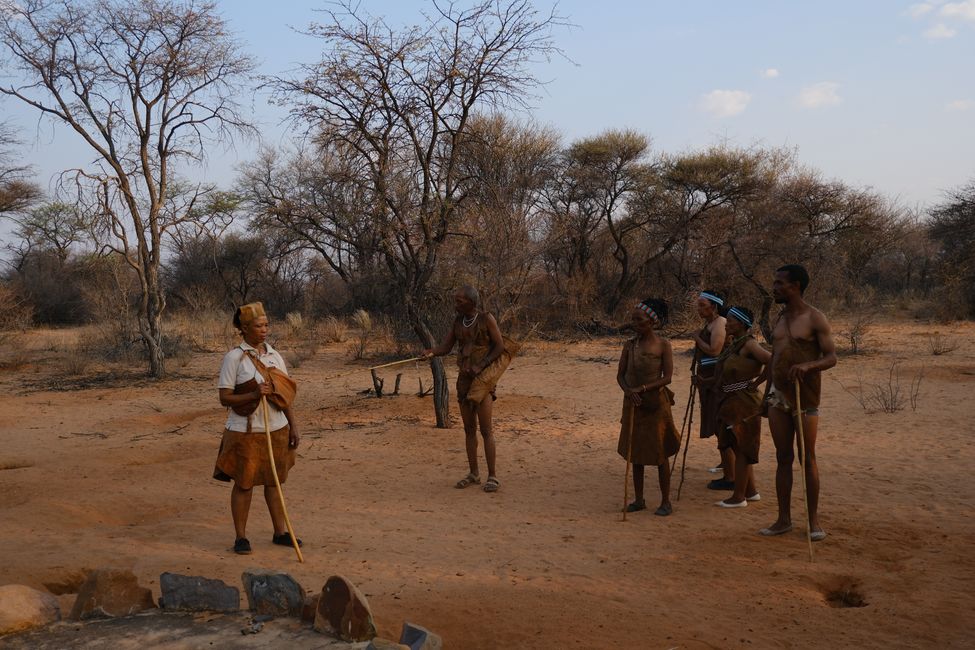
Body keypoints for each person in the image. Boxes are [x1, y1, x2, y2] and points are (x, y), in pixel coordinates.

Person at [213, 302, 301, 555]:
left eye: (266, 325)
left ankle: (280, 533)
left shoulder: (274, 355)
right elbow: (225, 398)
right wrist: (253, 393)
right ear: (244, 328)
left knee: (275, 481)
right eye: (258, 326)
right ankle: (241, 538)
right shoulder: (234, 358)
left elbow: (285, 396)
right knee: (244, 483)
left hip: (277, 429)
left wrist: (293, 426)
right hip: (245, 431)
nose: (264, 330)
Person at [759, 265, 836, 541]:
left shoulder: (815, 318)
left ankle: (813, 522)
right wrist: (765, 396)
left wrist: (808, 366)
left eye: (780, 283)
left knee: (808, 458)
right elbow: (775, 359)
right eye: (775, 282)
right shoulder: (779, 319)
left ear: (796, 286)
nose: (775, 288)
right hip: (777, 395)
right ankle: (783, 519)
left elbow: (831, 357)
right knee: (783, 457)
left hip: (805, 396)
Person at [423, 286, 514, 493]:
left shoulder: (486, 319)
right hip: (464, 379)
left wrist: (481, 366)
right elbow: (445, 348)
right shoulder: (458, 322)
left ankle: (492, 476)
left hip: (482, 381)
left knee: (486, 429)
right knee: (469, 429)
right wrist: (430, 353)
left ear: (472, 302)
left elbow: (499, 346)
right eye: (455, 301)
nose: (456, 305)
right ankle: (474, 473)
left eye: (460, 301)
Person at [617, 298, 680, 517]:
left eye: (640, 320)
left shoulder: (663, 345)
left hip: (655, 405)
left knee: (660, 453)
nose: (635, 323)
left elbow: (668, 378)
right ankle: (639, 500)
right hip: (633, 404)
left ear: (652, 321)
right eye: (633, 319)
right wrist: (628, 391)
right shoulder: (629, 345)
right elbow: (620, 375)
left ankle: (665, 501)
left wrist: (642, 389)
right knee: (635, 454)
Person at [707, 305, 771, 508]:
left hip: (744, 401)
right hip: (731, 400)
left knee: (742, 448)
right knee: (736, 444)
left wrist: (758, 382)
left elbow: (772, 360)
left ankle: (738, 497)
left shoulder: (750, 345)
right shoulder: (735, 344)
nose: (728, 323)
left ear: (742, 323)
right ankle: (750, 492)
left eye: (731, 320)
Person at [692, 289, 733, 489]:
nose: (699, 309)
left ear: (714, 306)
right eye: (698, 305)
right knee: (716, 422)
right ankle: (726, 463)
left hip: (716, 380)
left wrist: (697, 339)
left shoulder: (720, 323)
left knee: (721, 422)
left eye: (703, 305)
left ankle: (731, 475)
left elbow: (715, 350)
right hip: (707, 378)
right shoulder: (710, 324)